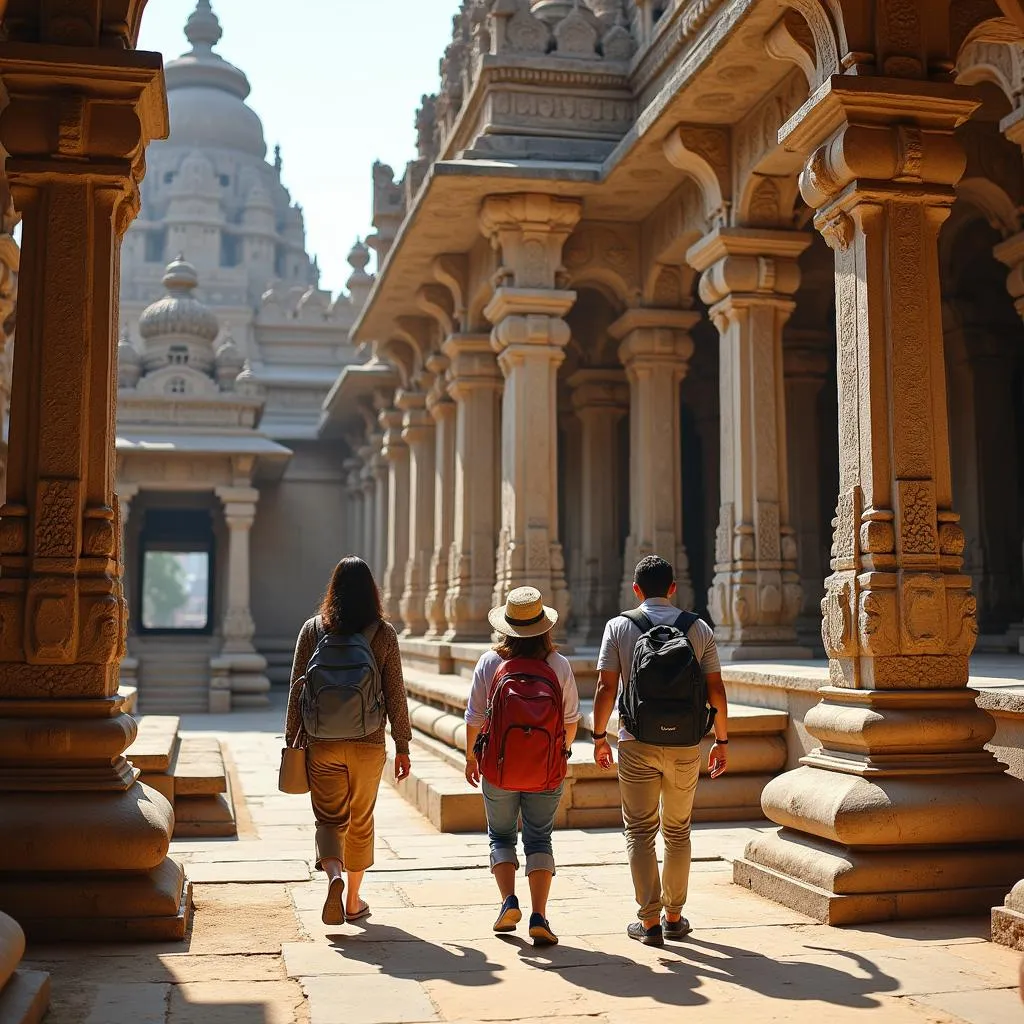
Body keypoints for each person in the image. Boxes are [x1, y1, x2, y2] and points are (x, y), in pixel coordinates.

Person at [591, 554, 729, 947]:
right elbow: (716, 690)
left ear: (635, 590)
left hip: (636, 740)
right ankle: (674, 916)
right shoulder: (698, 628)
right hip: (686, 743)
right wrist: (721, 741)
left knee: (639, 830)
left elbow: (605, 687)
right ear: (673, 588)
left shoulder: (619, 626)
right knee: (678, 830)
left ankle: (649, 922)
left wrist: (599, 737)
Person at [285, 556, 412, 926]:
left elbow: (297, 691)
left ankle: (334, 876)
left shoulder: (313, 629)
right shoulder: (383, 633)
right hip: (369, 741)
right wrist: (402, 745)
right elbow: (396, 695)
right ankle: (354, 900)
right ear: (372, 592)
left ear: (333, 589)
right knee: (361, 819)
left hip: (321, 741)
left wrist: (291, 743)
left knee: (328, 819)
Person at [464, 586, 581, 947]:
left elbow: (475, 718)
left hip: (498, 767)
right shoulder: (558, 665)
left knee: (500, 835)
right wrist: (557, 751)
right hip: (545, 769)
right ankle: (539, 915)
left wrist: (472, 757)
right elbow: (572, 720)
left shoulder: (489, 663)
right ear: (544, 627)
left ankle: (508, 902)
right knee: (539, 838)